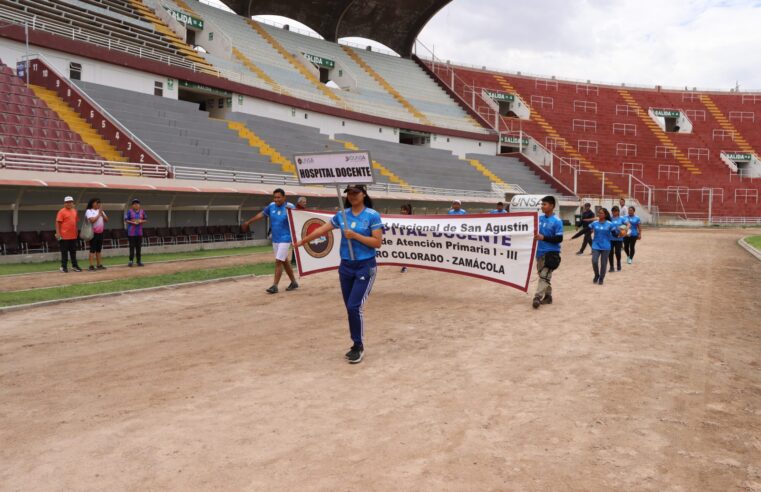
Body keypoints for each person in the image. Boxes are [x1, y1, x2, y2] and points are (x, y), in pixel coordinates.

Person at [295, 184, 383, 364]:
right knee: (350, 308)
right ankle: (354, 344)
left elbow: (377, 242)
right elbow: (322, 229)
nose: (352, 196)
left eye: (356, 192)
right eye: (349, 193)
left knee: (354, 306)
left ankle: (358, 346)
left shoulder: (372, 215)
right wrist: (303, 241)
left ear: (364, 194)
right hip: (345, 266)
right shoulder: (342, 214)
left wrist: (355, 236)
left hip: (365, 266)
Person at [243, 188, 298, 294]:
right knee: (284, 261)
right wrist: (248, 222)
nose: (276, 199)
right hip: (275, 239)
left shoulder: (290, 207)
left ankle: (275, 286)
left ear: (284, 197)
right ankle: (294, 282)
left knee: (278, 261)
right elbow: (261, 215)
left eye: (279, 197)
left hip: (286, 238)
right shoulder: (271, 206)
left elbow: (298, 219)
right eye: (275, 197)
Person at [532, 195, 563, 309]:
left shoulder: (557, 221)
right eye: (542, 204)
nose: (542, 206)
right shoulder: (539, 218)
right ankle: (548, 296)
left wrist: (543, 237)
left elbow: (559, 239)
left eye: (544, 204)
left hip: (551, 253)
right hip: (539, 253)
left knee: (544, 276)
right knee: (543, 276)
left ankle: (537, 297)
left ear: (552, 206)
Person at [589, 208, 618, 285]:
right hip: (596, 245)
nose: (600, 214)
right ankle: (596, 275)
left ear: (605, 215)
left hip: (606, 246)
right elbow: (587, 230)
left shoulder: (610, 224)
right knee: (594, 261)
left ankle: (601, 278)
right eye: (599, 213)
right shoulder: (594, 223)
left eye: (602, 213)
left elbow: (615, 234)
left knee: (603, 263)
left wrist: (622, 233)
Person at [55, 196, 82, 273]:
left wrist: (76, 232)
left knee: (73, 252)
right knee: (64, 252)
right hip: (63, 236)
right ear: (65, 203)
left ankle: (74, 266)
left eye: (71, 202)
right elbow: (57, 223)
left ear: (72, 203)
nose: (69, 203)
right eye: (67, 202)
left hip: (73, 235)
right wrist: (58, 233)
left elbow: (75, 222)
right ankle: (63, 267)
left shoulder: (74, 211)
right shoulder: (61, 211)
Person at [85, 198, 109, 271]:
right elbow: (92, 220)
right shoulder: (89, 211)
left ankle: (99, 265)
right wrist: (99, 214)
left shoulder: (100, 211)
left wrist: (102, 214)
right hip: (93, 233)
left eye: (99, 203)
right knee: (92, 249)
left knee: (98, 250)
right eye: (96, 203)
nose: (98, 204)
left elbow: (107, 220)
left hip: (100, 233)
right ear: (92, 203)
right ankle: (91, 266)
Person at [124, 198, 147, 267]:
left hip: (139, 232)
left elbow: (145, 219)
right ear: (132, 205)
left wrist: (140, 221)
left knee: (138, 247)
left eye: (137, 203)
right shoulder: (129, 211)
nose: (136, 205)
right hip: (131, 233)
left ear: (139, 205)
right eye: (134, 204)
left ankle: (139, 261)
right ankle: (130, 261)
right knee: (132, 247)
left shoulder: (142, 211)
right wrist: (132, 222)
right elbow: (126, 220)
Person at [608, 205, 626, 273]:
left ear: (618, 212)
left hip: (619, 238)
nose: (613, 213)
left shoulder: (622, 218)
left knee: (617, 252)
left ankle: (618, 264)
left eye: (615, 211)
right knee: (610, 252)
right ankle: (611, 267)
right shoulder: (609, 218)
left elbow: (627, 225)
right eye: (612, 211)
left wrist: (621, 228)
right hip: (610, 238)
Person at [399, 203, 412, 273]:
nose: (402, 211)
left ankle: (405, 266)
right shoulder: (398, 218)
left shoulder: (411, 219)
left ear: (408, 211)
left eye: (404, 210)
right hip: (400, 239)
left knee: (405, 252)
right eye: (401, 210)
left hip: (408, 239)